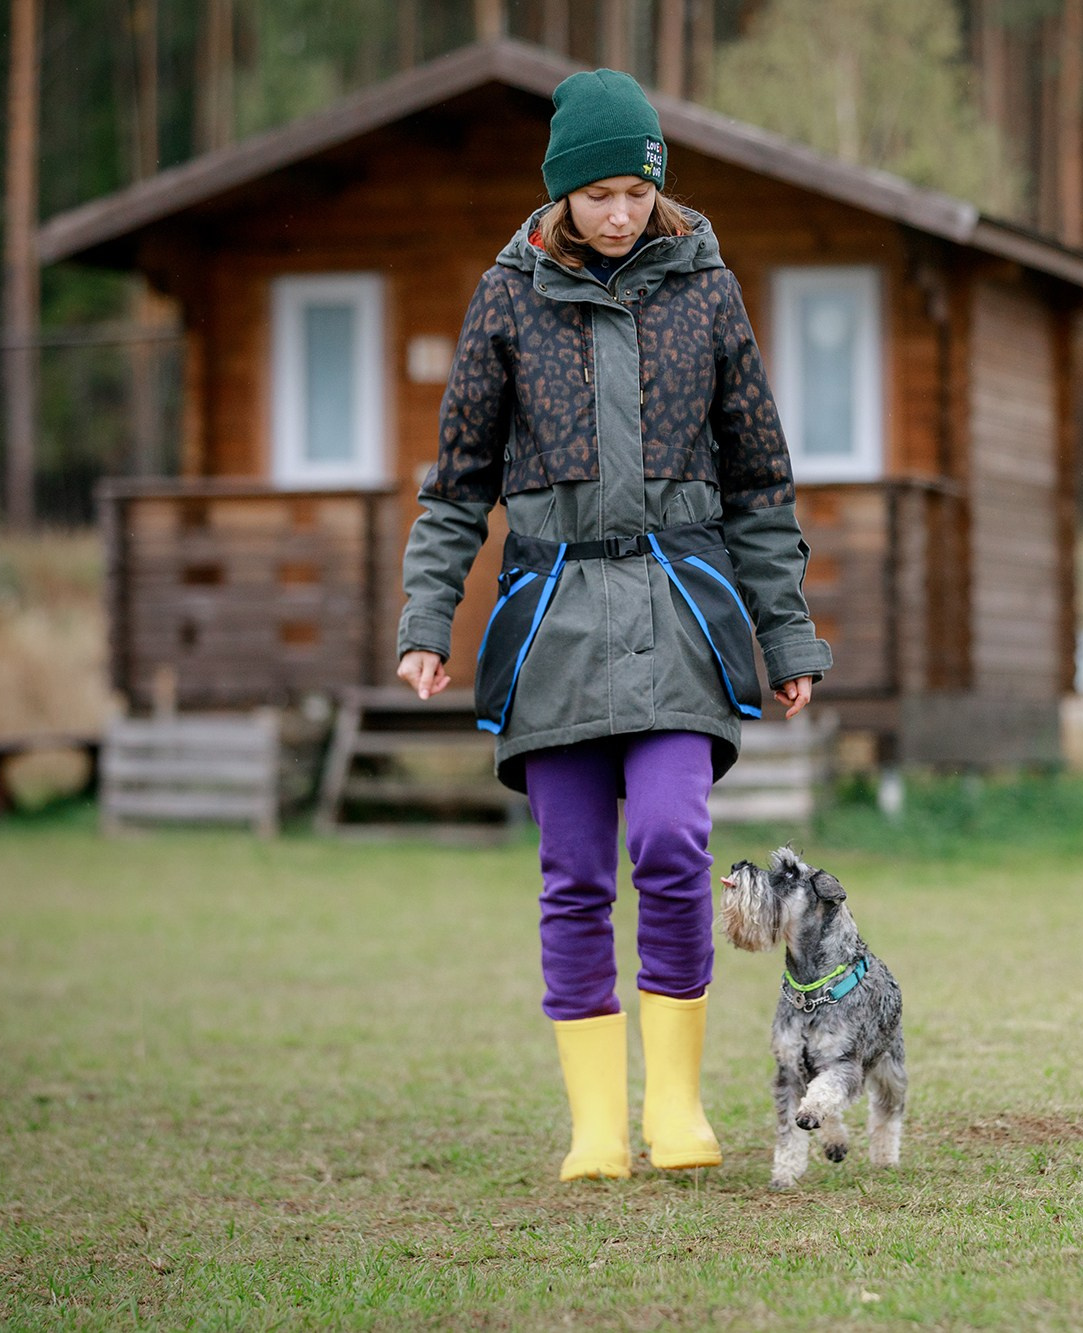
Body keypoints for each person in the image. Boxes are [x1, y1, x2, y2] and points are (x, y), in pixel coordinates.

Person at [394, 68, 831, 1182]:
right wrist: (426, 618)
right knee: (575, 871)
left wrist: (787, 637)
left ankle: (674, 1104)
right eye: (597, 197)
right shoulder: (506, 297)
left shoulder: (708, 289)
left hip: (681, 615)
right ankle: (596, 1124)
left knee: (674, 843)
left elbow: (759, 482)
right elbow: (457, 483)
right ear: (561, 194)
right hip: (549, 626)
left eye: (637, 193)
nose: (622, 215)